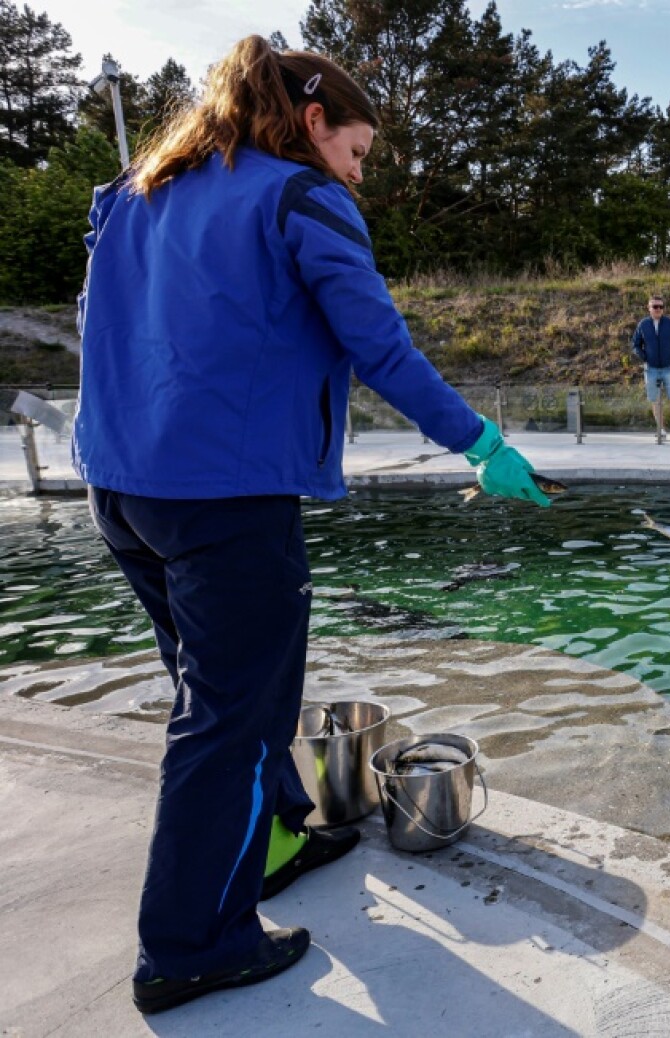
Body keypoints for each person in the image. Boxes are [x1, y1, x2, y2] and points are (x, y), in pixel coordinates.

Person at [71, 36, 549, 1015]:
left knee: (216, 696)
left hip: (120, 490)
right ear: (314, 122)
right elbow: (380, 347)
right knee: (229, 720)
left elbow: (121, 325)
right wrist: (481, 442)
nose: (358, 174)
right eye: (358, 153)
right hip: (225, 502)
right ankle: (191, 946)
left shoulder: (135, 192)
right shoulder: (298, 196)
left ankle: (282, 837)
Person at [631, 295, 670, 441]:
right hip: (650, 369)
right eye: (655, 306)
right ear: (649, 308)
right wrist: (644, 356)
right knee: (655, 400)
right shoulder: (643, 324)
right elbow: (635, 344)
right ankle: (661, 430)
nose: (658, 309)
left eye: (661, 307)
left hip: (668, 368)